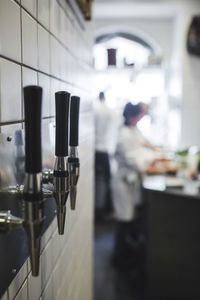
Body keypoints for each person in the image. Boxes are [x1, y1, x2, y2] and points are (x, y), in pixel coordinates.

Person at [111, 102, 160, 267]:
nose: (141, 118)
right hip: (124, 181)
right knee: (123, 219)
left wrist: (153, 152)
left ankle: (125, 252)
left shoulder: (133, 130)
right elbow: (134, 160)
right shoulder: (123, 134)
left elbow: (142, 144)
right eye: (140, 115)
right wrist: (150, 160)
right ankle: (118, 256)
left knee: (129, 218)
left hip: (130, 182)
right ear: (132, 116)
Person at [94, 92, 113, 221]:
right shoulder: (109, 111)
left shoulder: (95, 110)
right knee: (107, 180)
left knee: (96, 181)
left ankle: (97, 209)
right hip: (104, 149)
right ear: (104, 98)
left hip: (95, 149)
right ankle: (106, 209)